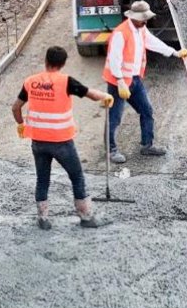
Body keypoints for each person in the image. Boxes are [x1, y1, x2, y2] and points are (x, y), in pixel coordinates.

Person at [13, 46, 115, 229]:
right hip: (61, 142)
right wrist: (106, 96)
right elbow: (90, 94)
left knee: (42, 179)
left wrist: (21, 124)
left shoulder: (31, 82)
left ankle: (43, 219)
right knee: (76, 177)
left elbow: (16, 107)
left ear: (46, 61)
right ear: (63, 64)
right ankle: (86, 217)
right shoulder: (65, 81)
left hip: (38, 142)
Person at [104, 0, 187, 164]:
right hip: (118, 82)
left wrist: (175, 53)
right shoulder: (121, 33)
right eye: (144, 19)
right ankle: (111, 150)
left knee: (147, 111)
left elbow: (153, 43)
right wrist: (120, 81)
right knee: (115, 117)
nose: (146, 21)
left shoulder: (141, 29)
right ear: (134, 17)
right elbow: (114, 59)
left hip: (134, 80)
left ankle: (147, 145)